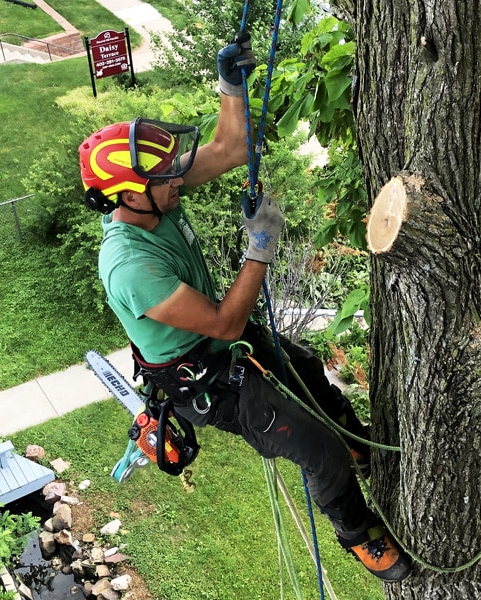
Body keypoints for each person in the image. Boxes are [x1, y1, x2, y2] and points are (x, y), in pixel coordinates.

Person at [77, 31, 410, 583]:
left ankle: (362, 449)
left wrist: (231, 84)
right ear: (129, 195)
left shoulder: (153, 198)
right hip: (203, 377)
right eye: (161, 177)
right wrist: (260, 248)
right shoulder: (128, 266)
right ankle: (357, 533)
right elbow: (227, 321)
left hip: (222, 344)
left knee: (305, 367)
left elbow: (232, 150)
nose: (174, 178)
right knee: (314, 448)